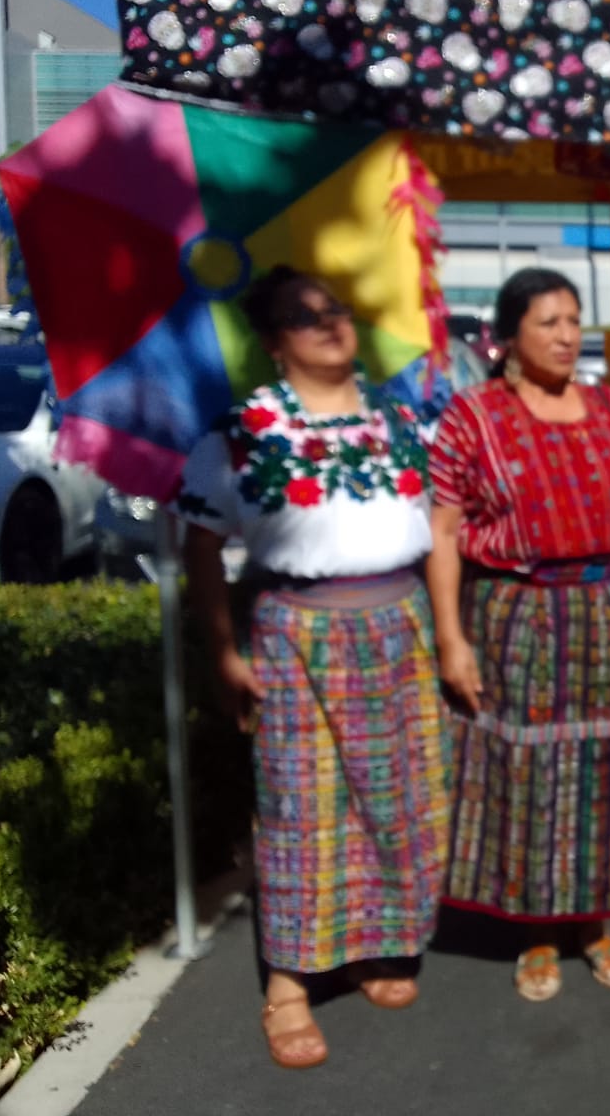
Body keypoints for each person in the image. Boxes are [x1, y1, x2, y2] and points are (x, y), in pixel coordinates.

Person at [178, 267, 449, 1070]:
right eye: (305, 316)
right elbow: (199, 545)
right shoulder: (245, 431)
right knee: (301, 807)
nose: (330, 324)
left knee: (393, 797)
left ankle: (372, 943)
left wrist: (451, 631)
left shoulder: (400, 419)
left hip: (399, 625)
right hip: (297, 633)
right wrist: (222, 650)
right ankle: (290, 984)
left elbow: (436, 523)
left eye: (336, 308)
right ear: (272, 342)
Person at [427, 267, 610, 1002]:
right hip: (514, 612)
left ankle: (592, 924)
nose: (568, 336)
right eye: (549, 322)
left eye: (574, 320)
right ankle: (534, 929)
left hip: (602, 607)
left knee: (599, 765)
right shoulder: (472, 418)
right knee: (527, 771)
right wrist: (450, 639)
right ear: (508, 337)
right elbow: (443, 530)